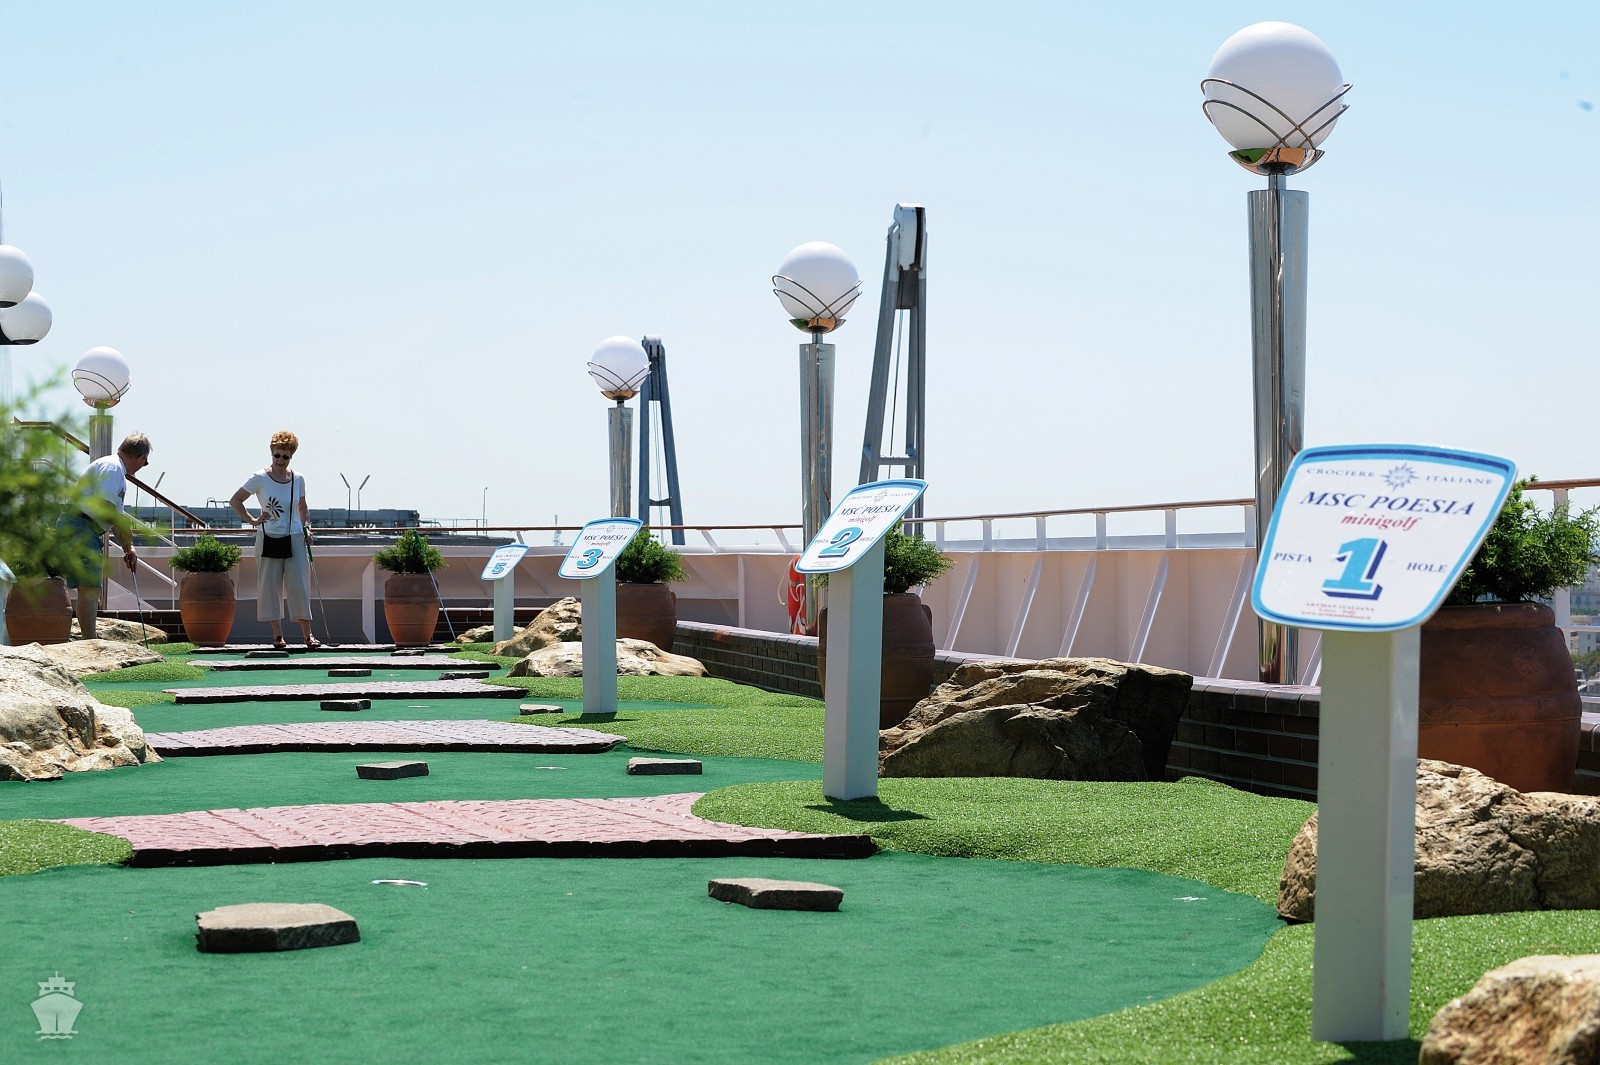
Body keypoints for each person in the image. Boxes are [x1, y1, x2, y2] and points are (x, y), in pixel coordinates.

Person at [230, 430, 320, 649]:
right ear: (271, 452)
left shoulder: (298, 479)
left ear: (292, 456)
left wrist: (307, 528)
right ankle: (278, 636)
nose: (280, 460)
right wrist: (252, 520)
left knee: (299, 586)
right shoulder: (259, 477)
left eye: (285, 456)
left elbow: (302, 507)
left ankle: (308, 635)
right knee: (270, 587)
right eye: (276, 455)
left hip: (295, 537)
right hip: (268, 537)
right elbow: (236, 500)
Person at [55, 433, 150, 639]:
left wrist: (128, 547)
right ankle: (91, 642)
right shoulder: (113, 468)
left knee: (87, 587)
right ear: (141, 458)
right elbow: (105, 507)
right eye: (145, 463)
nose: (142, 466)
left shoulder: (114, 469)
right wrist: (126, 535)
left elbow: (112, 516)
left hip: (81, 526)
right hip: (80, 526)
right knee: (89, 587)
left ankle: (87, 638)